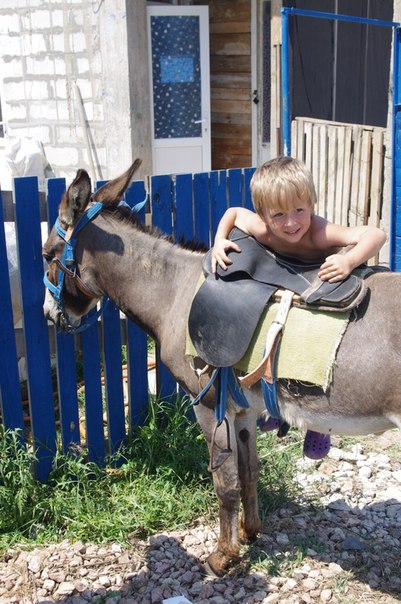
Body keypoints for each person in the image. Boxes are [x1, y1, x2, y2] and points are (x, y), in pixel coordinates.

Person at [211, 156, 387, 459]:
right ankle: (275, 404)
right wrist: (218, 241)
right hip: (281, 277)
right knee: (274, 333)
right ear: (263, 215)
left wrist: (348, 260)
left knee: (313, 340)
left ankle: (319, 425)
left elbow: (377, 235)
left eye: (299, 210)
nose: (291, 222)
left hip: (318, 281)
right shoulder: (261, 229)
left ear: (312, 204)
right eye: (278, 214)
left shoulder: (319, 232)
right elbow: (233, 213)